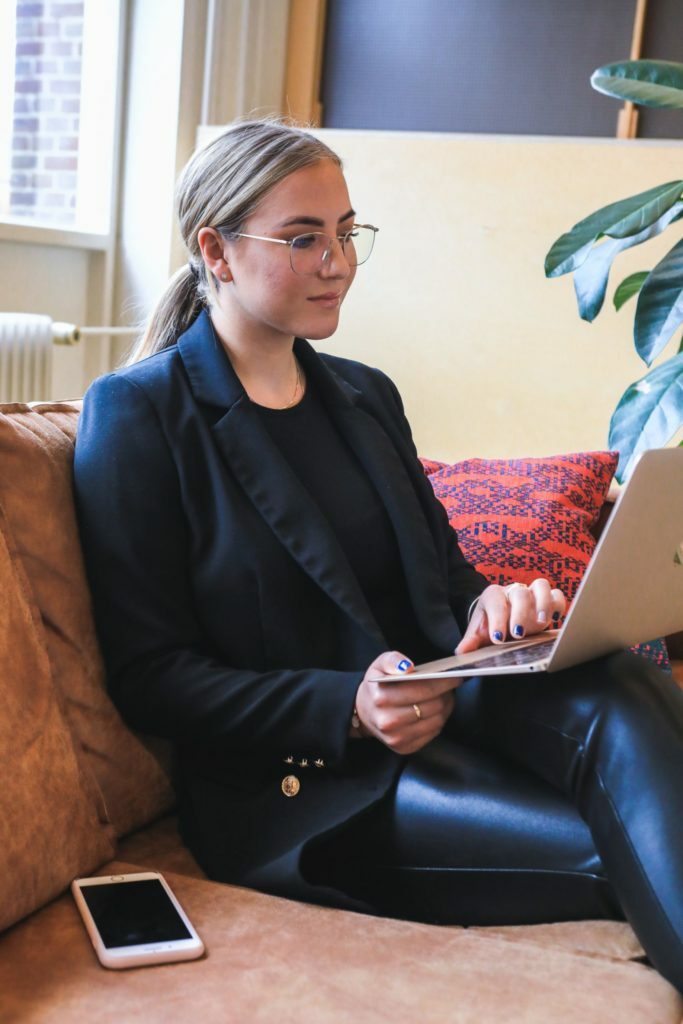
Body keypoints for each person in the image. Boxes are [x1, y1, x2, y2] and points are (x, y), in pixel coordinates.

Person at [73, 119, 683, 992]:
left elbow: (447, 579)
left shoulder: (363, 395)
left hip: (453, 709)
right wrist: (349, 708)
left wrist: (493, 606)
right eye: (302, 239)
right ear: (215, 249)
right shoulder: (139, 416)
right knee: (627, 844)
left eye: (346, 232)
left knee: (622, 682)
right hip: (314, 786)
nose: (337, 263)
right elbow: (150, 674)